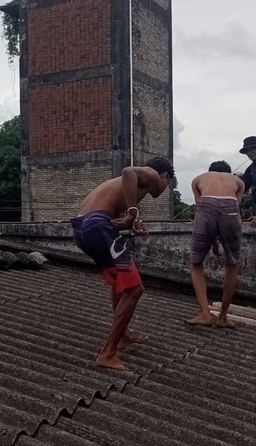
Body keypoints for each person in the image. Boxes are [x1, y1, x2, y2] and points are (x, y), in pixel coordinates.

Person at [71, 156, 174, 371]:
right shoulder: (152, 174)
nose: (164, 190)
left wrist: (132, 222)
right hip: (95, 225)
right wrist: (133, 212)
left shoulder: (126, 189)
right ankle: (107, 354)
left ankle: (123, 334)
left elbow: (113, 218)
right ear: (164, 175)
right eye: (169, 184)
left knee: (121, 282)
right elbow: (129, 171)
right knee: (135, 289)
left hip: (84, 228)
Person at [185, 161, 245, 328]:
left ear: (209, 172)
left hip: (206, 206)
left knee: (196, 263)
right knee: (232, 263)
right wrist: (217, 242)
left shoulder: (198, 179)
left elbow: (204, 210)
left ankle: (205, 313)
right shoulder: (238, 182)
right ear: (229, 172)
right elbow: (232, 209)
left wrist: (213, 242)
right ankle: (223, 317)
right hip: (231, 207)